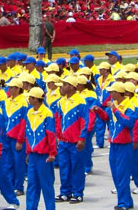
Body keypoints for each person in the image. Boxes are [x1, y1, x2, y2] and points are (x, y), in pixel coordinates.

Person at [93, 82, 136, 210]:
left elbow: (129, 122)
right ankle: (126, 201)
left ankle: (123, 203)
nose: (110, 94)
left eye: (112, 92)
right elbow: (108, 119)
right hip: (114, 144)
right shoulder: (114, 105)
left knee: (123, 175)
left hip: (124, 145)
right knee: (116, 174)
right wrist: (99, 111)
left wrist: (115, 110)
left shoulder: (129, 106)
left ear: (118, 93)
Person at [56, 75, 89, 204]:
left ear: (71, 86)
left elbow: (84, 121)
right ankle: (65, 192)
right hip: (64, 142)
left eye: (64, 85)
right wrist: (58, 136)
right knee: (64, 167)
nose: (62, 87)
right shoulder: (61, 101)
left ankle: (78, 193)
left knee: (77, 167)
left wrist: (82, 138)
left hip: (75, 142)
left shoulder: (81, 101)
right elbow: (58, 120)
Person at [23, 87, 57, 210]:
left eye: (31, 98)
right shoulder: (29, 112)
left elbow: (51, 135)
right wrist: (27, 152)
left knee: (46, 185)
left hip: (44, 155)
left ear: (36, 99)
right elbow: (28, 133)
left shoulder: (47, 113)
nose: (29, 99)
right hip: (33, 155)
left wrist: (52, 153)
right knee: (32, 185)